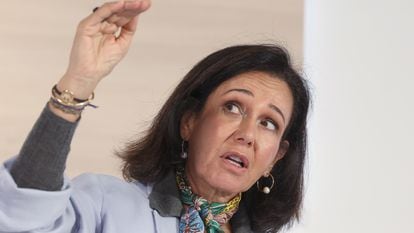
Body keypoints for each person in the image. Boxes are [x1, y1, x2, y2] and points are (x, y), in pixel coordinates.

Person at [0, 1, 310, 232]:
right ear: (189, 121)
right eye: (232, 107)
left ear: (276, 158)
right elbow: (25, 217)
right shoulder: (107, 204)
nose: (247, 133)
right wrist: (77, 85)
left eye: (269, 123)